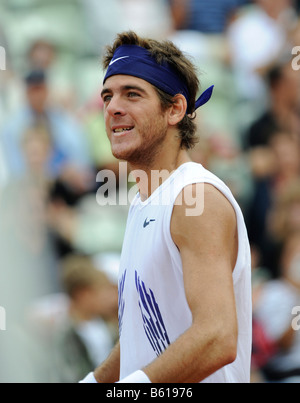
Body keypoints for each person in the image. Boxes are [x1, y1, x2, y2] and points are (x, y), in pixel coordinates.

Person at [81, 31, 252, 383]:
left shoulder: (196, 198)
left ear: (175, 109)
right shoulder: (143, 202)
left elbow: (218, 337)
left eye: (132, 94)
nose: (113, 107)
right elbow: (139, 337)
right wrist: (95, 382)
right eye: (107, 96)